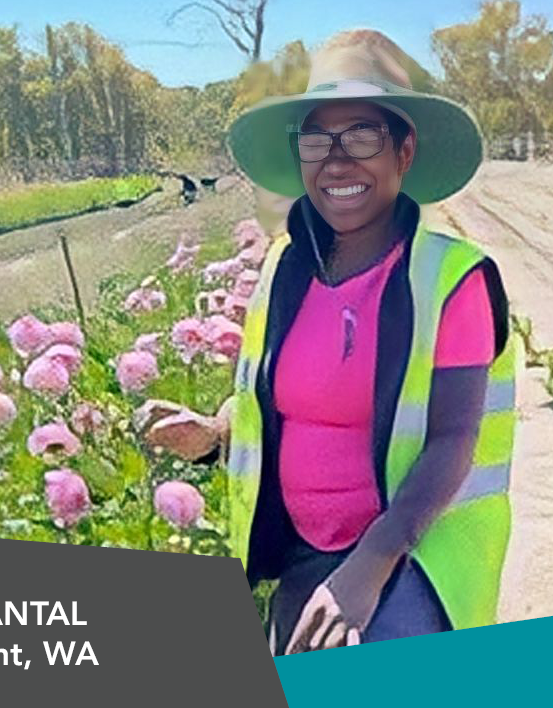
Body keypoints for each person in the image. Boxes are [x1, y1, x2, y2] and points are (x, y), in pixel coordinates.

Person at [222, 30, 519, 654]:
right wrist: (214, 428)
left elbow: (451, 441)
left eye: (361, 136)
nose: (337, 160)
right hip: (306, 547)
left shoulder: (451, 279)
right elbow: (280, 396)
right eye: (317, 139)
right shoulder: (284, 266)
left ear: (403, 151)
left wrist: (368, 568)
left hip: (420, 549)